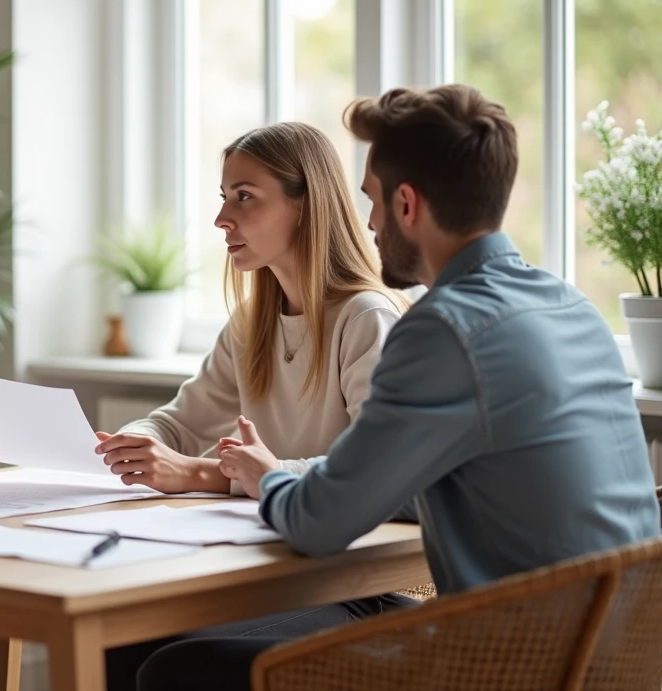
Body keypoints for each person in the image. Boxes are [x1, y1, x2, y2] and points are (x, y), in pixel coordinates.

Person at [138, 84, 661, 691]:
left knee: (172, 668)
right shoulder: (569, 306)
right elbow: (411, 491)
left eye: (373, 202)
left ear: (407, 204)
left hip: (511, 665)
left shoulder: (442, 329)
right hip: (621, 656)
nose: (368, 223)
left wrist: (264, 475)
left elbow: (318, 523)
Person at [97, 122, 413, 690]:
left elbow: (373, 477)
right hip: (278, 575)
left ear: (305, 205)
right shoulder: (251, 323)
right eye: (223, 198)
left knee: (169, 659)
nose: (222, 219)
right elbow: (180, 421)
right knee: (123, 637)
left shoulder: (367, 318)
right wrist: (128, 443)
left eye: (245, 198)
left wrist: (215, 475)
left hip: (355, 587)